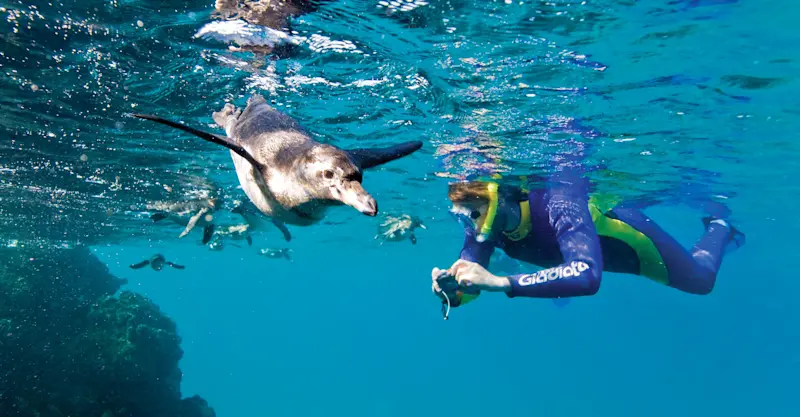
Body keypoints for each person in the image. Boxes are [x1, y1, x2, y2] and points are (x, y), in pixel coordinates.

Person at [431, 172, 746, 316]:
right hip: (592, 256)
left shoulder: (559, 202)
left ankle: (720, 226)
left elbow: (586, 274)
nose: (472, 228)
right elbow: (471, 280)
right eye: (463, 218)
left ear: (499, 199)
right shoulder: (485, 227)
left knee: (701, 280)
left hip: (633, 244)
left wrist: (502, 282)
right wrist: (453, 290)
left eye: (474, 214)